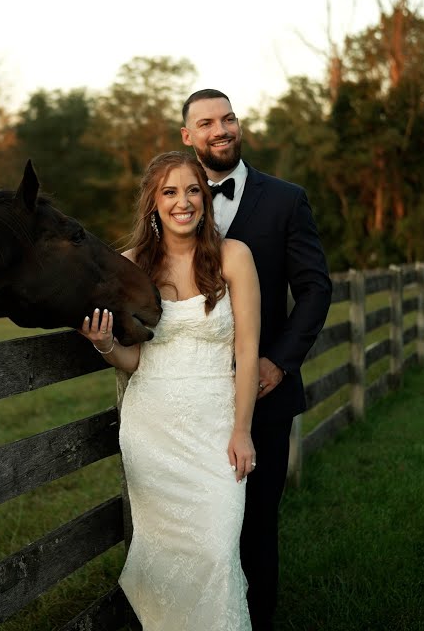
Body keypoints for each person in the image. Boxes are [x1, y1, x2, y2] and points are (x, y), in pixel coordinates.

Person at [80, 150, 262, 630]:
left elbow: (247, 352)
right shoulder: (130, 266)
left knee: (217, 550)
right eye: (170, 192)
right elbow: (134, 360)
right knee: (164, 560)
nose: (183, 202)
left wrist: (242, 430)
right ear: (153, 203)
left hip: (215, 429)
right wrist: (104, 346)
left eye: (192, 190)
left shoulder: (234, 257)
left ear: (204, 197)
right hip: (152, 431)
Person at [181, 88, 332, 631]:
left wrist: (279, 362)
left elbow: (315, 289)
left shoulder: (286, 199)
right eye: (206, 123)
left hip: (266, 394)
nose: (220, 129)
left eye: (228, 118)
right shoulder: (173, 198)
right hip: (191, 391)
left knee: (255, 522)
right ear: (188, 136)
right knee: (197, 520)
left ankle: (256, 621)